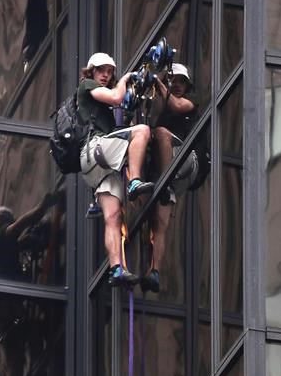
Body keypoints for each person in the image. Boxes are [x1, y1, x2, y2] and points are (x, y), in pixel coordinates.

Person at [78, 52, 155, 287]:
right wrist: (125, 80)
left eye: (110, 71)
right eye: (101, 70)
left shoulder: (100, 108)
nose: (106, 75)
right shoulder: (87, 86)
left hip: (98, 166)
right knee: (142, 132)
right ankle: (134, 181)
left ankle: (116, 269)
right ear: (91, 71)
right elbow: (115, 97)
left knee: (113, 217)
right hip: (96, 149)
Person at [142, 62, 198, 293]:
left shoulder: (188, 104)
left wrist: (158, 80)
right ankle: (153, 271)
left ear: (186, 86)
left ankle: (163, 184)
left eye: (181, 82)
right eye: (173, 80)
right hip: (167, 170)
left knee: (161, 133)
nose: (176, 85)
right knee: (161, 223)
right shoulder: (160, 105)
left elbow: (174, 105)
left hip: (183, 161)